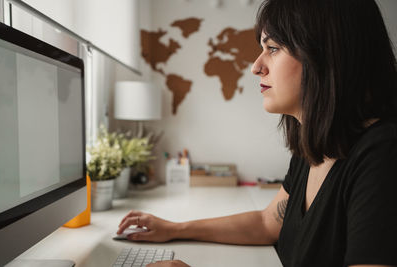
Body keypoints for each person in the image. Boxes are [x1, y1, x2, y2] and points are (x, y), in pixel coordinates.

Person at [117, 0, 397, 266]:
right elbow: (267, 223)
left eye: (273, 48)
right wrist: (175, 229)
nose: (256, 66)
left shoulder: (383, 157)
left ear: (325, 54)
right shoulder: (314, 146)